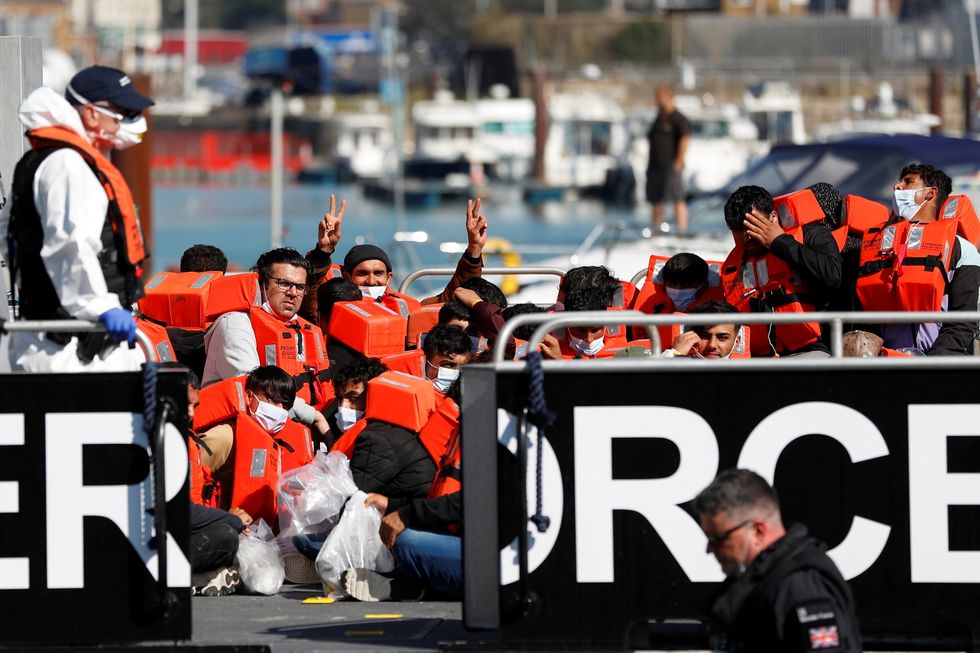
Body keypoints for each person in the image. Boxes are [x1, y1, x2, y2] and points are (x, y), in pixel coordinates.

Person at [7, 66, 153, 372]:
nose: (132, 122)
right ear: (91, 115)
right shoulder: (69, 165)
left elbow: (8, 235)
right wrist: (101, 307)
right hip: (76, 348)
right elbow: (70, 244)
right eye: (123, 113)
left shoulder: (40, 160)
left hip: (61, 339)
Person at [693, 469, 861, 652]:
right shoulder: (763, 582)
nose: (709, 550)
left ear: (757, 531)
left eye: (717, 539)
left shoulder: (801, 586)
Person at [855, 164, 980, 355]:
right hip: (886, 360)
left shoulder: (963, 250)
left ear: (930, 193)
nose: (897, 186)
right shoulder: (874, 246)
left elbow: (963, 320)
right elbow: (863, 314)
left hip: (939, 360)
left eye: (908, 181)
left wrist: (934, 361)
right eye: (899, 181)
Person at [300, 196, 489, 321]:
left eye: (378, 273)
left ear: (389, 277)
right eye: (362, 273)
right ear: (348, 277)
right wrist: (324, 250)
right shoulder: (329, 307)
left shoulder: (408, 308)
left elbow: (452, 297)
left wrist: (474, 249)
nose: (371, 281)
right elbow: (308, 299)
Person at [201, 247, 329, 432]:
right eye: (284, 283)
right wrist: (315, 417)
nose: (293, 293)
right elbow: (258, 392)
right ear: (263, 284)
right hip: (238, 427)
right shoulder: (234, 325)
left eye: (300, 287)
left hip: (289, 422)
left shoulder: (297, 327)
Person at [721, 185, 841, 357]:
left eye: (753, 225)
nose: (747, 235)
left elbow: (832, 277)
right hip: (759, 357)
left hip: (812, 350)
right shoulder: (737, 262)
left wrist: (779, 242)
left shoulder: (811, 236)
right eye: (739, 230)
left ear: (773, 217)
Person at [646, 84, 690, 235]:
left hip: (671, 165)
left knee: (677, 198)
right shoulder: (658, 118)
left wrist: (679, 160)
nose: (659, 100)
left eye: (661, 97)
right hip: (655, 166)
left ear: (670, 98)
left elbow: (685, 139)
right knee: (655, 200)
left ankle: (681, 231)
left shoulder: (678, 119)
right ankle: (656, 230)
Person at [320, 356, 387, 450]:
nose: (343, 406)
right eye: (340, 398)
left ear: (374, 397)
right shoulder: (335, 431)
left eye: (354, 397)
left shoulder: (382, 444)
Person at [663, 300, 745, 359]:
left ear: (737, 342)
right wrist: (675, 354)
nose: (712, 345)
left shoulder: (747, 374)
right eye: (704, 336)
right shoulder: (670, 360)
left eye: (722, 338)